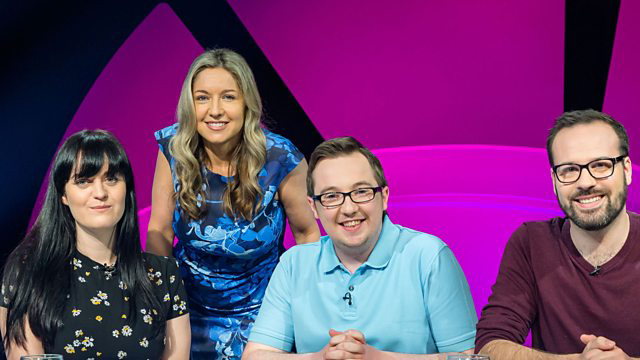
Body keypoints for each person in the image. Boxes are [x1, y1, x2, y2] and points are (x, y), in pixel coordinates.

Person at [147, 48, 320, 358]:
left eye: (228, 97)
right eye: (202, 98)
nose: (215, 110)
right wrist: (162, 303)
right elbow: (158, 230)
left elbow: (308, 235)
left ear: (246, 104)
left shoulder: (282, 158)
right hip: (187, 310)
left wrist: (302, 310)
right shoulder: (174, 148)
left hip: (264, 312)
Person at [243, 137, 478, 359]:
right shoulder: (294, 264)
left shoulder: (428, 256)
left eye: (361, 192)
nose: (348, 208)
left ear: (384, 197)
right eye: (331, 196)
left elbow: (470, 358)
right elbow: (255, 355)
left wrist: (380, 358)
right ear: (313, 208)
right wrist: (319, 357)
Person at [0, 130, 190, 359]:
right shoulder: (29, 273)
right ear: (63, 194)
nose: (100, 193)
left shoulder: (162, 274)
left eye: (111, 179)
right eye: (83, 181)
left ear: (127, 188)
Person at [476, 110, 640, 358]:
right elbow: (490, 346)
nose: (585, 182)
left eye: (600, 165)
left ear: (626, 170)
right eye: (569, 170)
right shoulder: (531, 243)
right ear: (554, 180)